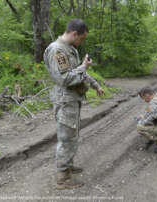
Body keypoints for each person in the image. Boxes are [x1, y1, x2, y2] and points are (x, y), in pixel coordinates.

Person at [44, 19, 105, 190]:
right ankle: (62, 178)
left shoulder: (69, 50)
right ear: (74, 34)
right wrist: (83, 67)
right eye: (82, 38)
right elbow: (63, 78)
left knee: (72, 135)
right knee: (66, 138)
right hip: (65, 100)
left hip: (73, 99)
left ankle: (68, 167)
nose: (82, 42)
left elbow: (77, 73)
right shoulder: (57, 50)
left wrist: (96, 86)